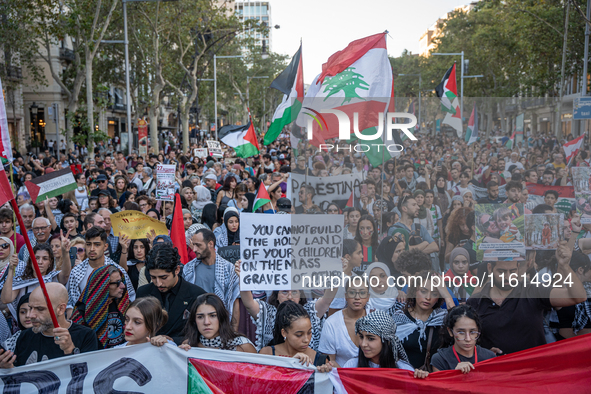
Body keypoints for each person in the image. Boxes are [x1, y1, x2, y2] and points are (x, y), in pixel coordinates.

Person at [467, 242, 586, 355]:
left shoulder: (533, 290)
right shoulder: (475, 302)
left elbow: (577, 297)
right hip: (496, 373)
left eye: (512, 271)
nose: (508, 277)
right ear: (489, 268)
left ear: (518, 267)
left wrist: (564, 266)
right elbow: (467, 340)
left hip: (534, 371)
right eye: (502, 271)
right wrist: (484, 352)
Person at [0, 283, 99, 367]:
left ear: (60, 309)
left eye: (40, 309)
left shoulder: (86, 335)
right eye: (31, 308)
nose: (30, 315)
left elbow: (87, 378)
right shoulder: (24, 336)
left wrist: (70, 350)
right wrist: (10, 369)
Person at [136, 242, 206, 344]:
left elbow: (203, 333)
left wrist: (173, 341)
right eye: (153, 277)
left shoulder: (197, 295)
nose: (158, 283)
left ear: (177, 270)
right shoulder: (143, 293)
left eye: (163, 277)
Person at [391, 270, 455, 370]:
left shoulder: (443, 318)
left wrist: (446, 293)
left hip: (432, 379)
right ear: (414, 291)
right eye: (423, 291)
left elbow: (458, 323)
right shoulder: (398, 318)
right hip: (404, 378)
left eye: (434, 294)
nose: (428, 297)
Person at [65, 227, 135, 315]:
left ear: (105, 246)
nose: (92, 249)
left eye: (97, 244)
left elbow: (130, 297)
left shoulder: (117, 270)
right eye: (88, 244)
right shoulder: (76, 272)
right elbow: (71, 304)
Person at [342, 311, 429, 379]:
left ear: (387, 341)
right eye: (361, 337)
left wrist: (421, 379)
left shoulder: (405, 371)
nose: (363, 344)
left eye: (371, 338)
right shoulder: (351, 366)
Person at [259, 301, 333, 371]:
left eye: (309, 332)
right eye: (299, 335)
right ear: (284, 332)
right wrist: (291, 363)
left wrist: (325, 372)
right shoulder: (267, 353)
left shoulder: (320, 360)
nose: (306, 340)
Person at [183, 228, 239, 317]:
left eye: (198, 245)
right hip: (194, 321)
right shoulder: (189, 268)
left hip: (220, 321)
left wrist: (233, 329)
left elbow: (234, 301)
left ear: (210, 244)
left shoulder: (228, 269)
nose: (194, 249)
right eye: (193, 245)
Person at [71, 265, 130, 348]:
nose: (122, 286)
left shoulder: (122, 305)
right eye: (117, 283)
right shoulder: (82, 312)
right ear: (102, 285)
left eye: (122, 281)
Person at [318, 280, 372, 367]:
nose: (357, 297)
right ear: (346, 296)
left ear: (368, 296)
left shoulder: (376, 320)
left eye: (362, 292)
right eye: (352, 292)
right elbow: (329, 361)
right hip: (340, 377)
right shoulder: (331, 323)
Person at [179, 293, 256, 353]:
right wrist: (181, 355)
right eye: (200, 317)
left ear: (221, 317)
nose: (206, 322)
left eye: (212, 316)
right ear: (194, 320)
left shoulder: (242, 346)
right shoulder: (189, 345)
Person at [431, 304, 496, 372]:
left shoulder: (489, 357)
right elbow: (439, 382)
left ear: (478, 331)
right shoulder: (441, 359)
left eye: (472, 332)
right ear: (450, 331)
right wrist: (455, 374)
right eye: (461, 332)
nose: (468, 339)